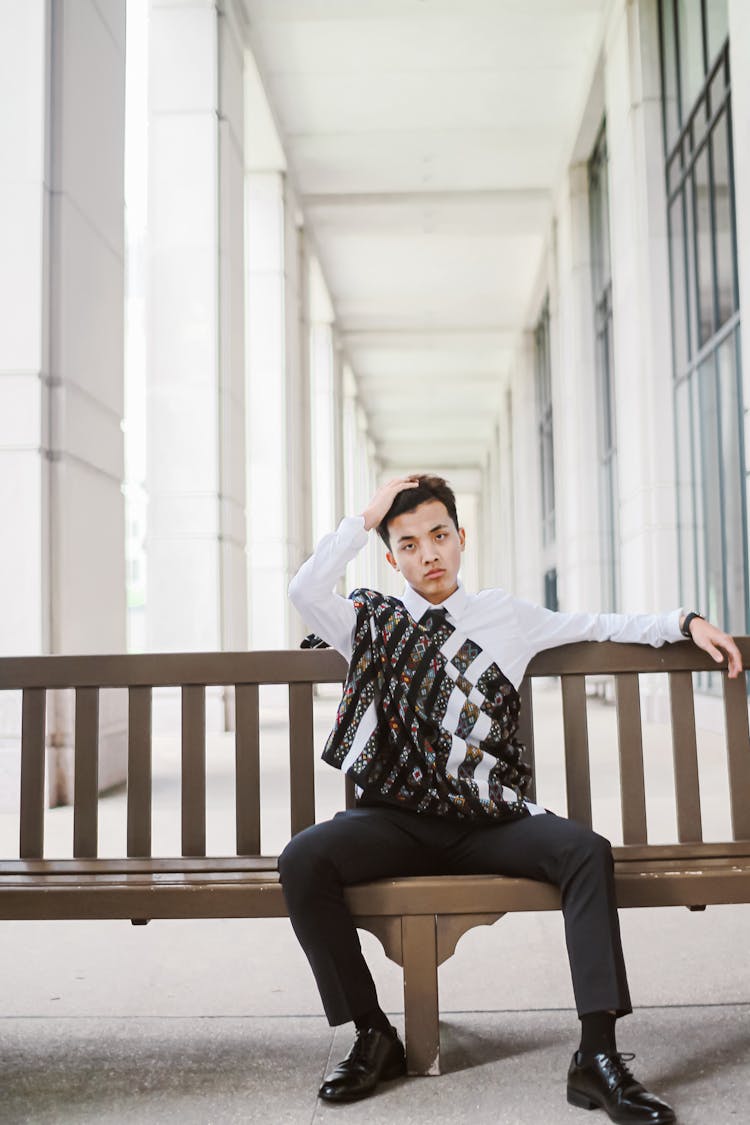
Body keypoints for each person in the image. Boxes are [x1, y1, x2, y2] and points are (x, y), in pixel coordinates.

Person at [281, 474, 742, 1122]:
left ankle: (597, 1055)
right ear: (391, 558)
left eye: (439, 536)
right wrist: (366, 515)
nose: (428, 554)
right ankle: (371, 1032)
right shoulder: (367, 620)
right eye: (408, 544)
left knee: (585, 851)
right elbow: (304, 589)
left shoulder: (506, 615)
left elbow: (602, 622)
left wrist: (684, 621)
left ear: (461, 538)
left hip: (486, 815)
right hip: (393, 817)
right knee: (303, 858)